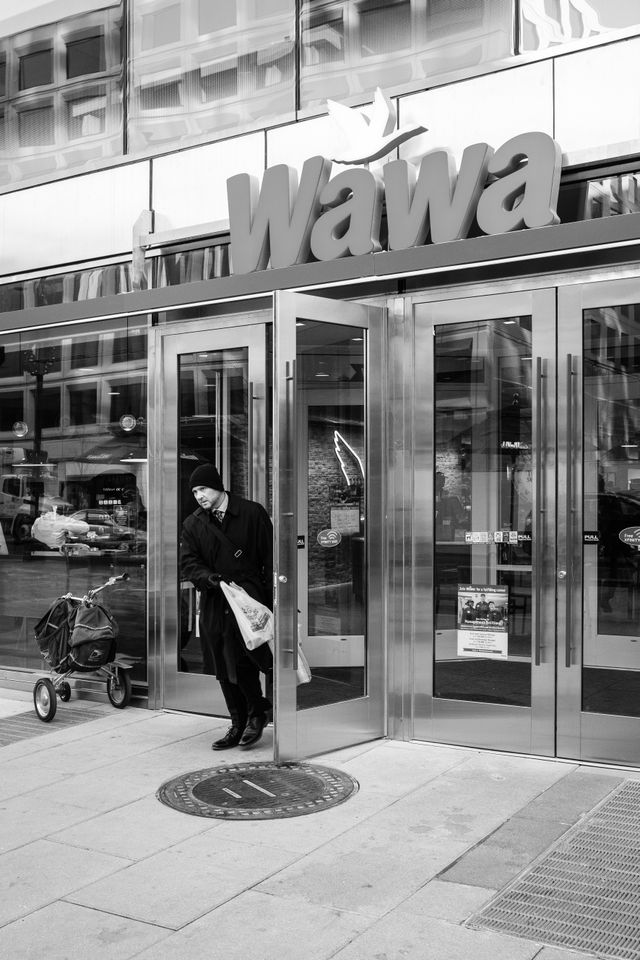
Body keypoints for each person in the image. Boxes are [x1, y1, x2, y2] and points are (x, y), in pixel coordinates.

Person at [180, 463, 273, 750]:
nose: (199, 496)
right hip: (214, 599)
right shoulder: (193, 523)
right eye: (195, 491)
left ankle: (256, 712)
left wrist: (269, 599)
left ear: (218, 486)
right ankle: (238, 722)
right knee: (221, 664)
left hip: (248, 599)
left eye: (203, 489)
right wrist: (209, 578)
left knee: (244, 659)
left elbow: (270, 558)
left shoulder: (252, 513)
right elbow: (189, 563)